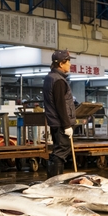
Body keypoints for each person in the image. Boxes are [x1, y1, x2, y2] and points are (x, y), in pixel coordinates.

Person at [43, 50, 76, 178]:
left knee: (58, 151)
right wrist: (67, 125)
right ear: (61, 64)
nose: (70, 64)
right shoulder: (58, 81)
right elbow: (60, 105)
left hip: (55, 122)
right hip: (61, 123)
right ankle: (55, 183)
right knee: (60, 153)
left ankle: (52, 181)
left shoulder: (50, 78)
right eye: (68, 62)